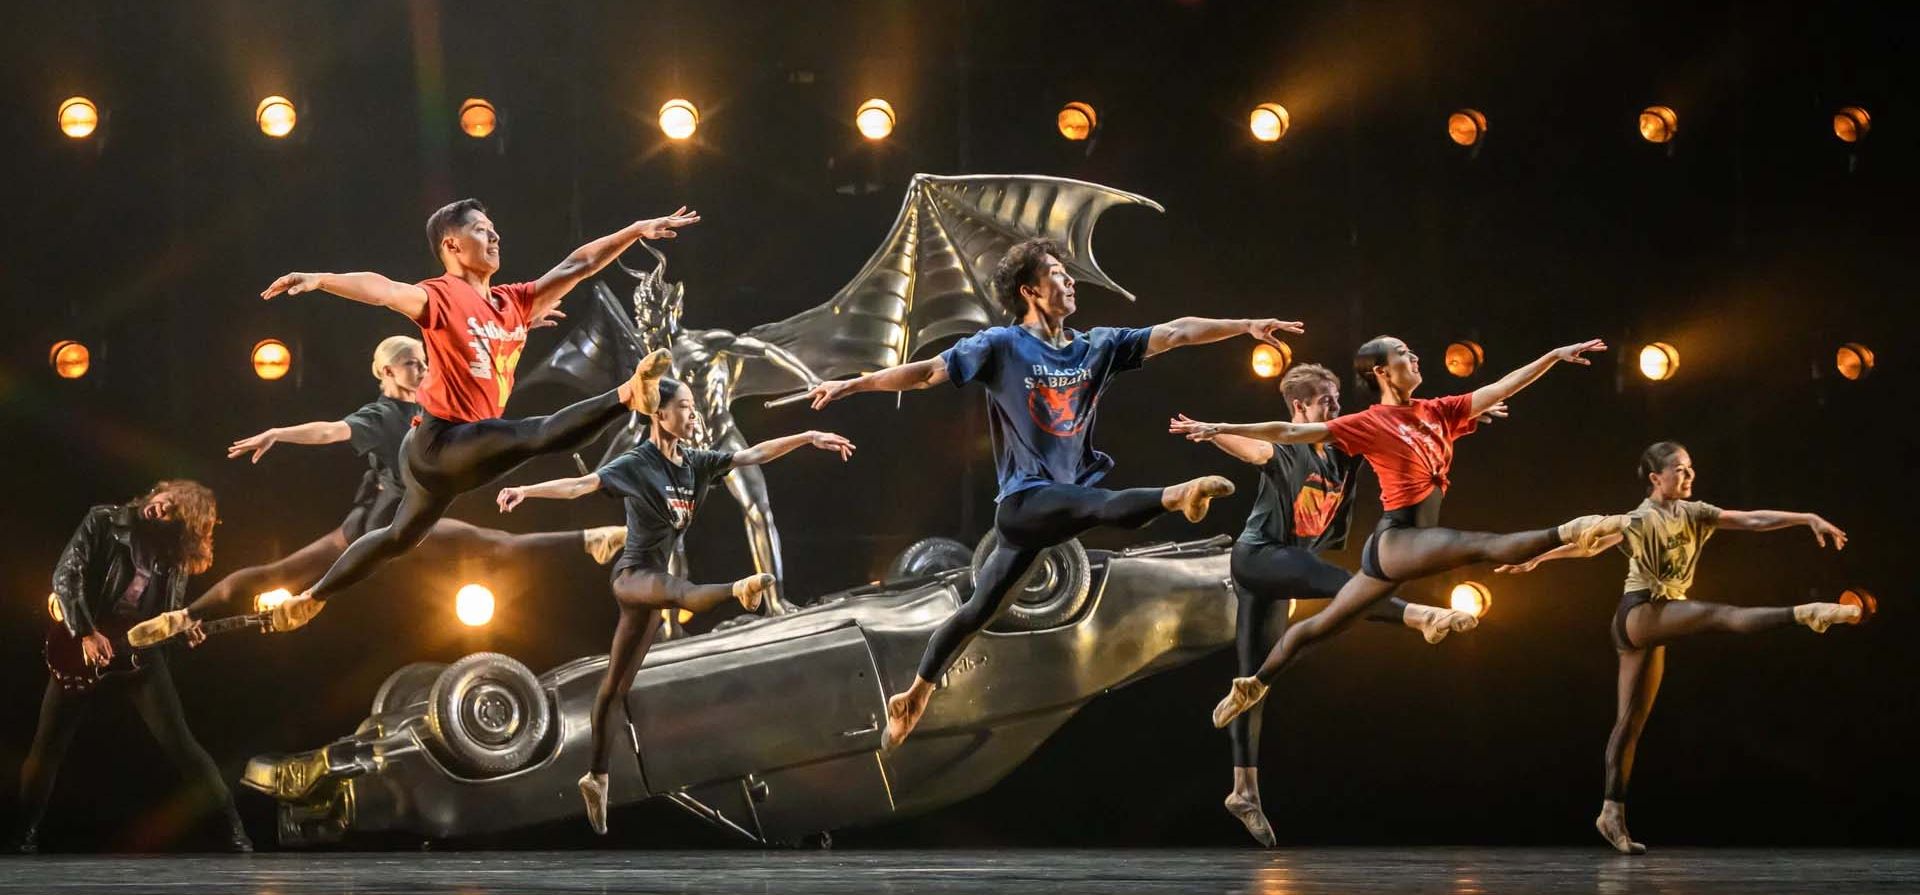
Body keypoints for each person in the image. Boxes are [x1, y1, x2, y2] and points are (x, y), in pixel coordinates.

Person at [808, 236, 1302, 749]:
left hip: (1058, 504)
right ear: (1031, 291)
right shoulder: (1000, 346)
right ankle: (1175, 496)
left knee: (979, 610)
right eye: (1058, 275)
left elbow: (1176, 332)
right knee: (1098, 508)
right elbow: (929, 372)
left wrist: (1243, 326)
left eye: (1069, 275)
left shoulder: (1098, 346)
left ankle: (913, 693)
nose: (1070, 282)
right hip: (1025, 504)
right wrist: (853, 385)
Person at [251, 198, 699, 633]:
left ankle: (309, 599)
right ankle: (628, 395)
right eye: (481, 230)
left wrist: (635, 230)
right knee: (532, 434)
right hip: (436, 443)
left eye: (493, 228)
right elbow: (384, 290)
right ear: (452, 245)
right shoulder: (440, 296)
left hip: (462, 457)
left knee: (399, 538)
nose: (494, 235)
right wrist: (321, 279)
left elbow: (577, 265)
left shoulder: (513, 304)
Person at [1175, 335, 1631, 733]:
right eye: (1403, 353)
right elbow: (1290, 431)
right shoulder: (1369, 422)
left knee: (1319, 627)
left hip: (1398, 550)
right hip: (1400, 541)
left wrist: (1552, 355)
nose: (1414, 358)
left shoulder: (1440, 411)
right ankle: (1579, 528)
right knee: (1482, 545)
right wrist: (1223, 428)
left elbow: (1500, 387)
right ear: (1381, 371)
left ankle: (1254, 684)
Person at [496, 377, 855, 834]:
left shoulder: (695, 463)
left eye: (692, 406)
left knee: (614, 690)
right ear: (658, 414)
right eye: (683, 407)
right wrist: (527, 492)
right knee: (680, 590)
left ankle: (597, 777)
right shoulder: (636, 463)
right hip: (632, 578)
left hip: (652, 588)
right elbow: (580, 486)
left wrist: (807, 437)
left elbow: (755, 454)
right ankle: (737, 591)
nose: (692, 414)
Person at [129, 336, 624, 644]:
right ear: (387, 372)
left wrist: (518, 333)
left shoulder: (435, 409)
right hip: (377, 520)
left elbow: (478, 370)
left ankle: (593, 540)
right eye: (411, 364)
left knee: (494, 545)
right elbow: (329, 431)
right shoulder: (381, 414)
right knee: (282, 572)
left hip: (408, 519)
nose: (421, 370)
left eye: (423, 363)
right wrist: (280, 433)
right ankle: (183, 616)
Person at [1493, 441, 1862, 854]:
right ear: (1656, 478)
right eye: (1680, 471)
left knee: (1630, 724)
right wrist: (1537, 559)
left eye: (1690, 470)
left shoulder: (1695, 513)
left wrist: (1806, 517)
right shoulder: (1638, 519)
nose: (1689, 477)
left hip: (1660, 619)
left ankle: (1610, 812)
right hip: (1639, 613)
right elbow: (1586, 544)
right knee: (1720, 615)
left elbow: (1754, 520)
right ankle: (1806, 613)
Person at [1184, 362, 1483, 846]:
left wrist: (1460, 423)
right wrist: (1214, 431)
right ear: (1300, 407)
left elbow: (1403, 433)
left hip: (1286, 570)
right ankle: (1418, 615)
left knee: (1254, 679)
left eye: (1337, 399)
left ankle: (1243, 791)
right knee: (1343, 583)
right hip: (1258, 559)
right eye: (1326, 401)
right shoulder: (1284, 449)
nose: (1335, 408)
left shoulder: (1345, 450)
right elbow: (1253, 446)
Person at [15, 481, 251, 853]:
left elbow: (170, 616)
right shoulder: (104, 520)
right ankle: (20, 836)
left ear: (181, 527)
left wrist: (185, 632)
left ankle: (234, 833)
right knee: (48, 746)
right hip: (84, 643)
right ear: (160, 490)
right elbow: (66, 576)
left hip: (139, 653)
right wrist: (86, 632)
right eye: (165, 500)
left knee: (182, 744)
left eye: (172, 513)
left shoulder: (173, 556)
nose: (161, 509)